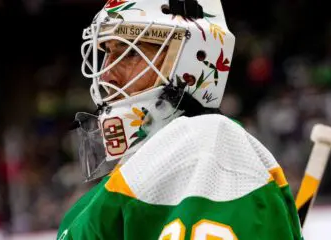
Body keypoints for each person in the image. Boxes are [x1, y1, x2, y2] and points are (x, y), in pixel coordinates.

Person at [57, 0, 303, 239]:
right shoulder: (137, 170)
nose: (106, 75)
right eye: (108, 53)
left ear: (193, 57)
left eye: (129, 52)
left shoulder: (203, 150)